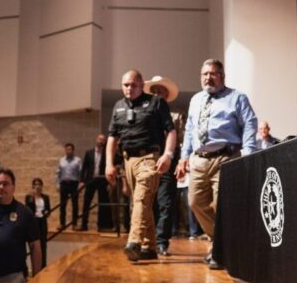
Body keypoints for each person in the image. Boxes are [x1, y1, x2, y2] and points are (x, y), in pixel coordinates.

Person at [175, 59, 257, 269]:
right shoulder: (196, 100)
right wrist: (184, 156)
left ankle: (220, 250)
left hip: (225, 158)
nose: (208, 78)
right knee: (195, 202)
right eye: (204, 74)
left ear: (222, 76)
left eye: (212, 73)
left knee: (222, 206)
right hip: (199, 160)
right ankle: (221, 242)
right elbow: (191, 128)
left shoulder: (236, 97)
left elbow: (249, 122)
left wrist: (248, 152)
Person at [106, 70, 177, 262]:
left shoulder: (156, 103)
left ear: (141, 85)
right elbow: (112, 137)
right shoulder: (118, 106)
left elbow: (171, 131)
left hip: (149, 158)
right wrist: (109, 164)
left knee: (141, 199)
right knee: (142, 203)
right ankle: (150, 245)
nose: (129, 88)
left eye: (133, 85)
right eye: (126, 85)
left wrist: (167, 155)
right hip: (128, 161)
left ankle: (134, 241)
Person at [145, 75, 184, 256]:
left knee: (166, 204)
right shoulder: (145, 115)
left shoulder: (176, 117)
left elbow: (181, 142)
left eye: (161, 91)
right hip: (147, 163)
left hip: (168, 165)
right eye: (154, 91)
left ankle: (162, 242)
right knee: (147, 203)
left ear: (166, 95)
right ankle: (148, 240)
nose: (157, 94)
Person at [80, 134, 111, 231]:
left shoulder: (107, 154)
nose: (101, 141)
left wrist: (109, 182)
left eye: (103, 140)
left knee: (102, 203)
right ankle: (84, 225)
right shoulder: (89, 152)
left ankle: (101, 226)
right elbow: (84, 168)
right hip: (90, 180)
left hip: (102, 180)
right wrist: (81, 181)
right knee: (86, 203)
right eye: (99, 139)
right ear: (96, 140)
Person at [25, 178, 51, 266]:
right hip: (34, 222)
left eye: (39, 184)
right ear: (33, 186)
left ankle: (44, 265)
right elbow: (28, 210)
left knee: (43, 244)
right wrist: (32, 197)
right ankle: (36, 267)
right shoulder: (29, 197)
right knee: (35, 245)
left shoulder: (45, 197)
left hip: (43, 221)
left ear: (42, 186)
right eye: (35, 184)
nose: (37, 186)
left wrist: (47, 212)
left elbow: (48, 209)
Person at [55, 143, 82, 230]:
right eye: (67, 149)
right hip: (64, 184)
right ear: (65, 150)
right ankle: (62, 223)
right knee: (63, 205)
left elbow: (81, 173)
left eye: (70, 149)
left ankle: (75, 224)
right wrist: (57, 184)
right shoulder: (61, 160)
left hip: (74, 184)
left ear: (73, 150)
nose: (68, 151)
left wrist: (80, 184)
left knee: (75, 205)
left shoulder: (77, 160)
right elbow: (58, 173)